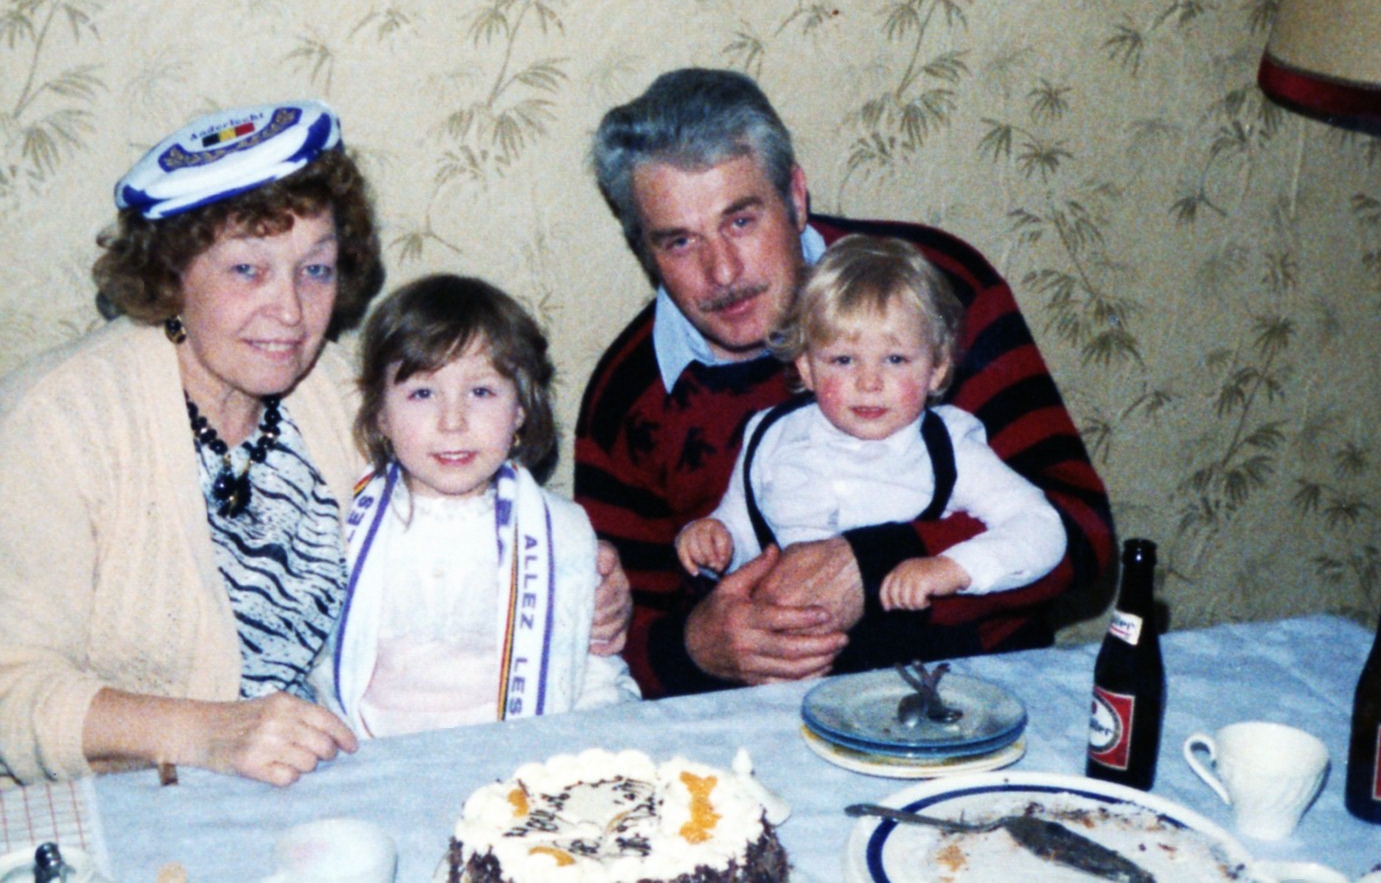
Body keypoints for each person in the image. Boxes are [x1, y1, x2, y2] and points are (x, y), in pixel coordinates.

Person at [0, 100, 629, 788]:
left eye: (316, 269)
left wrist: (572, 575)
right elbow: (12, 689)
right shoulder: (58, 421)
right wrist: (208, 732)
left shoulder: (331, 391)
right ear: (172, 272)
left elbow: (449, 515)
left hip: (320, 784)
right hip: (136, 806)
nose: (291, 311)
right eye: (248, 269)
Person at [575, 68, 1115, 698]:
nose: (722, 271)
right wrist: (696, 648)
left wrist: (876, 565)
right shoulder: (625, 398)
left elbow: (1083, 532)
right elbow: (608, 639)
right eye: (679, 241)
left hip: (973, 693)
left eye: (741, 221)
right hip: (765, 718)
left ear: (795, 196)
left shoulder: (933, 293)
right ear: (644, 250)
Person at [675, 234, 1068, 618]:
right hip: (788, 646)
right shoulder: (771, 434)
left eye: (895, 359)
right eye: (844, 360)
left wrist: (955, 568)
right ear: (806, 367)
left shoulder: (949, 448)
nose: (869, 383)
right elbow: (742, 528)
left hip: (912, 651)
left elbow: (1040, 526)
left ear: (936, 368)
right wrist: (715, 540)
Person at [321, 274, 638, 737]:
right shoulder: (343, 527)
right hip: (372, 757)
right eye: (422, 393)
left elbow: (593, 670)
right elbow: (315, 665)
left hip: (524, 756)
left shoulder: (560, 531)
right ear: (380, 415)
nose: (453, 421)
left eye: (481, 392)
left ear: (520, 410)